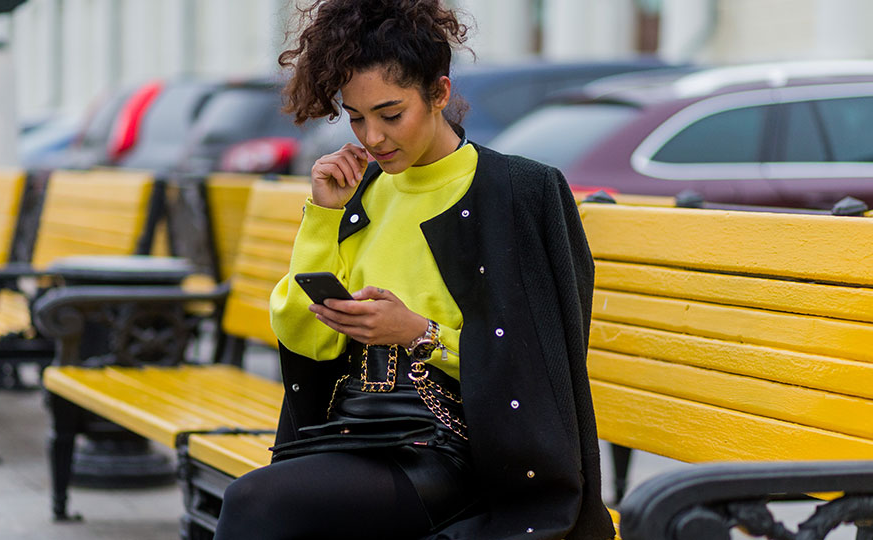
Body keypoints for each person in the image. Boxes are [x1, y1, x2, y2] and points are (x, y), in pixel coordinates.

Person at [213, 1, 615, 538]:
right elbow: (302, 336)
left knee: (257, 504)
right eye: (356, 118)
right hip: (358, 430)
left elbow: (541, 363)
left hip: (460, 446)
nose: (372, 138)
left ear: (440, 94)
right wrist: (322, 218)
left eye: (390, 113)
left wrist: (419, 334)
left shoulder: (516, 191)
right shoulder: (364, 192)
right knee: (266, 502)